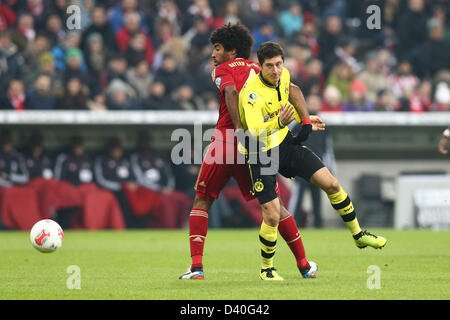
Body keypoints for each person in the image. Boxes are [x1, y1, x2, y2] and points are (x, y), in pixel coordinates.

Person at [179, 23, 316, 281]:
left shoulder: (221, 69)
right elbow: (293, 90)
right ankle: (304, 265)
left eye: (217, 48)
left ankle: (196, 268)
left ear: (231, 51)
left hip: (226, 142)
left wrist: (239, 127)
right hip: (255, 147)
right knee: (275, 207)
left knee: (202, 200)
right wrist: (306, 118)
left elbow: (230, 90)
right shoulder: (259, 70)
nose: (213, 54)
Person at [238, 41, 387, 279]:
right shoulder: (251, 93)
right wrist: (280, 122)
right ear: (259, 66)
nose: (276, 70)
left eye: (279, 64)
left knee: (331, 183)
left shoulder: (284, 77)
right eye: (269, 66)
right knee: (273, 214)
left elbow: (291, 96)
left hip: (285, 144)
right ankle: (267, 269)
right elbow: (255, 130)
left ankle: (358, 235)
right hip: (259, 153)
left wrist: (305, 117)